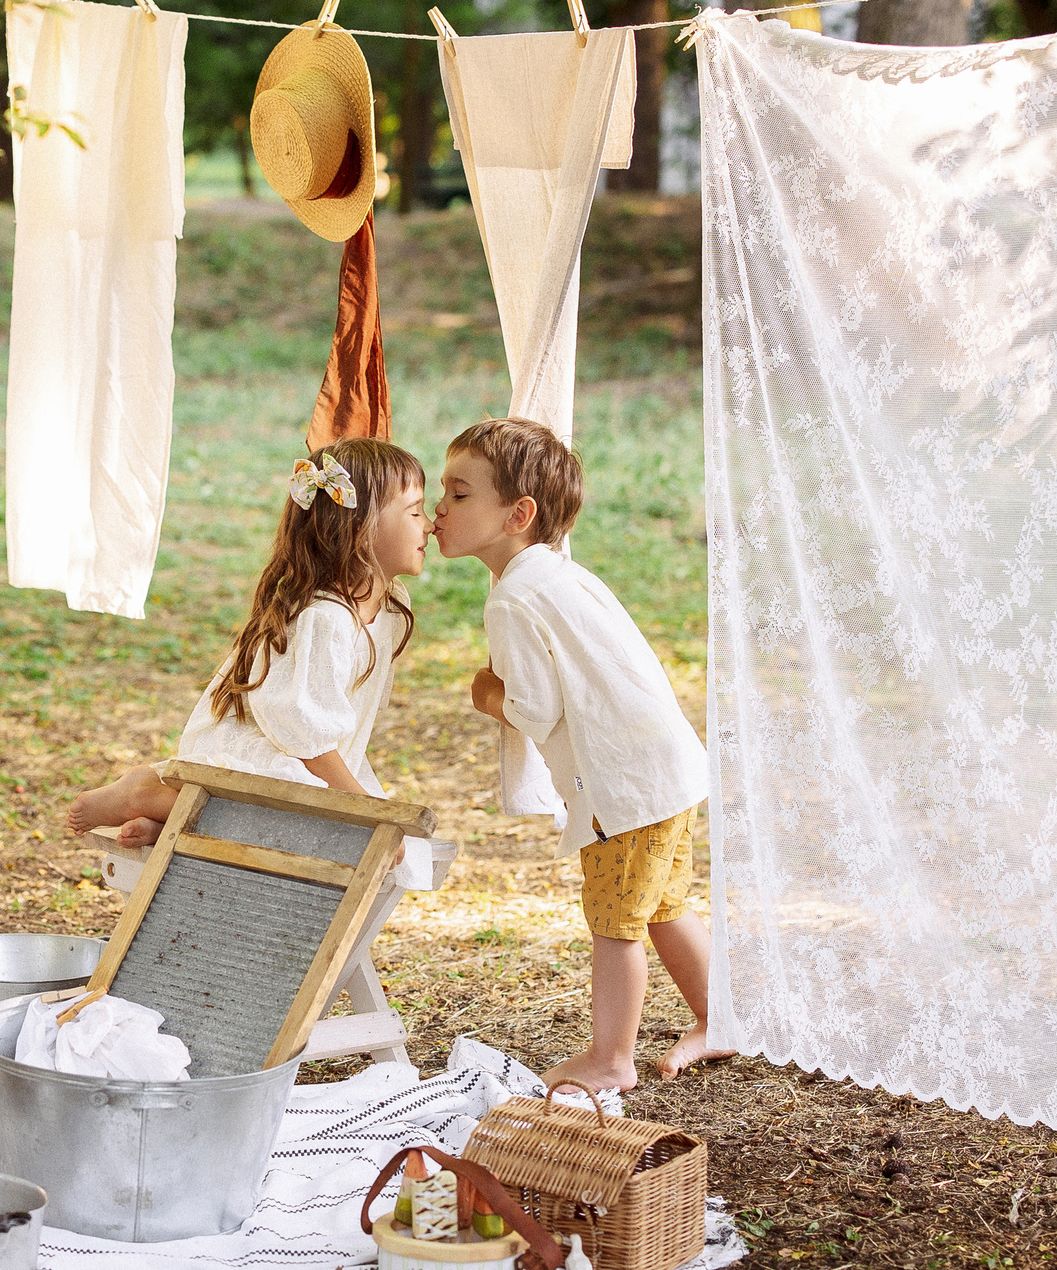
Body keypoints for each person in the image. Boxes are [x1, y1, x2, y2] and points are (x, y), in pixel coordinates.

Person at [432, 417, 726, 1086]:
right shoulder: (562, 575)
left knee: (616, 921)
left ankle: (611, 1058)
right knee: (663, 904)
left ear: (519, 513)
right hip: (667, 767)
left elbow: (534, 708)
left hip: (625, 784)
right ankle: (718, 1017)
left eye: (458, 493)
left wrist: (486, 692)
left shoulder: (513, 597)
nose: (439, 509)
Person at [64, 438, 431, 844]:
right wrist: (367, 813)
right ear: (361, 528)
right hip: (268, 752)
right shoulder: (324, 619)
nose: (429, 523)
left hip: (311, 755)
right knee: (298, 822)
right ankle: (149, 793)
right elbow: (304, 739)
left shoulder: (392, 604)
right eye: (415, 511)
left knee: (346, 835)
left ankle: (171, 817)